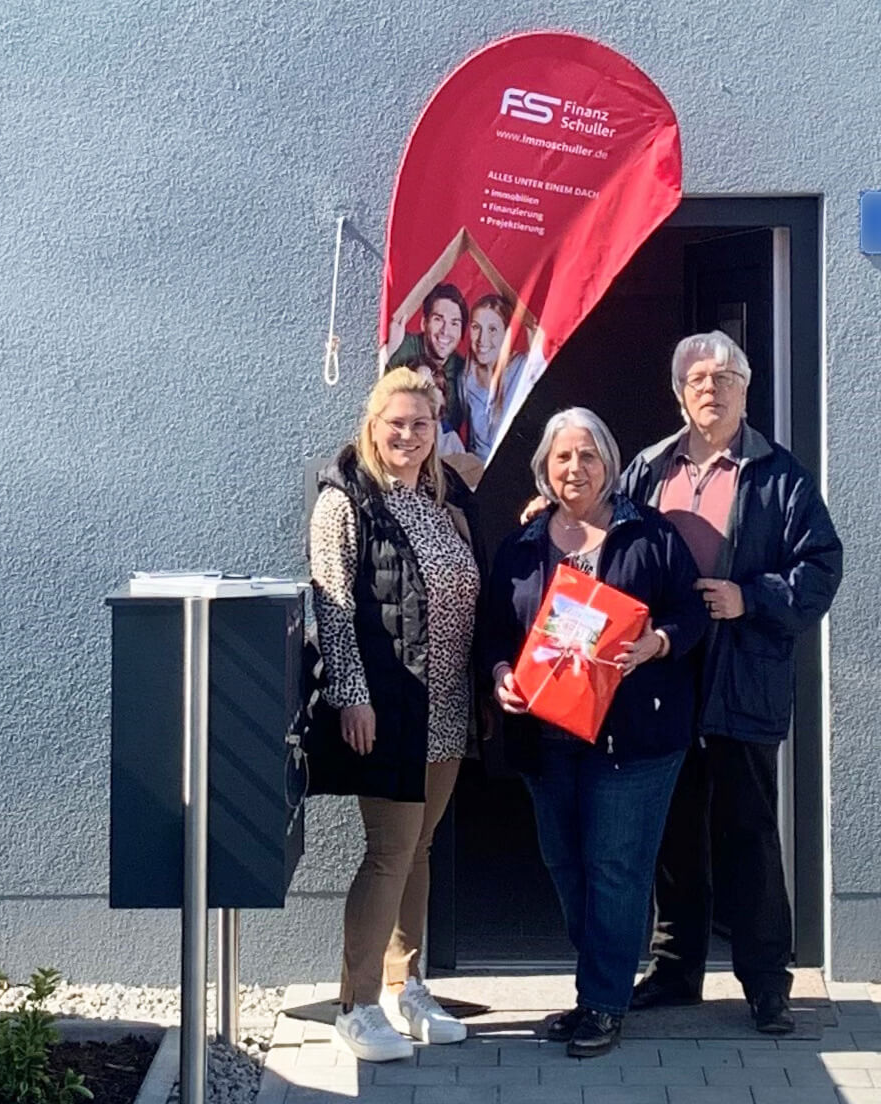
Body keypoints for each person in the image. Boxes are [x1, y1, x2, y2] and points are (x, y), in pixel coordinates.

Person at [622, 332, 843, 1034]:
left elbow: (822, 566)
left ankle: (767, 984)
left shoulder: (780, 476)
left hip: (742, 675)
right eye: (697, 379)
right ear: (679, 393)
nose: (710, 389)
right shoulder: (647, 469)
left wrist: (752, 597)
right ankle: (675, 970)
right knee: (672, 830)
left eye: (724, 378)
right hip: (664, 673)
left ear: (747, 390)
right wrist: (550, 515)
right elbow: (604, 535)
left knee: (748, 832)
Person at [482, 408, 709, 1058]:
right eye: (563, 457)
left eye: (588, 455)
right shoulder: (524, 544)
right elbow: (494, 629)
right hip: (546, 740)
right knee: (566, 863)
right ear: (544, 469)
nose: (575, 468)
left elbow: (690, 612)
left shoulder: (650, 535)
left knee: (614, 868)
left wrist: (657, 642)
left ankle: (604, 1004)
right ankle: (597, 991)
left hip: (632, 740)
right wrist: (501, 674)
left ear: (610, 464)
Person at [306, 368, 486, 1062]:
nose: (408, 435)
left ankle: (407, 985)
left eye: (421, 424)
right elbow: (333, 607)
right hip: (387, 708)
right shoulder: (346, 501)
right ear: (372, 425)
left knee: (420, 848)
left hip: (447, 706)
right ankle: (356, 1005)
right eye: (396, 423)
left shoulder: (443, 497)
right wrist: (352, 694)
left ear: (437, 429)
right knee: (389, 851)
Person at [385, 283, 469, 441]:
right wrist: (388, 351)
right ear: (424, 323)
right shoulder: (401, 346)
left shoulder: (462, 369)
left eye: (454, 323)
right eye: (438, 319)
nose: (445, 331)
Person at [460, 294, 530, 462]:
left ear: (507, 333)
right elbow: (469, 438)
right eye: (476, 327)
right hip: (476, 469)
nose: (482, 339)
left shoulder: (523, 368)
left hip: (512, 466)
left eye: (492, 329)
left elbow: (535, 328)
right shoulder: (466, 377)